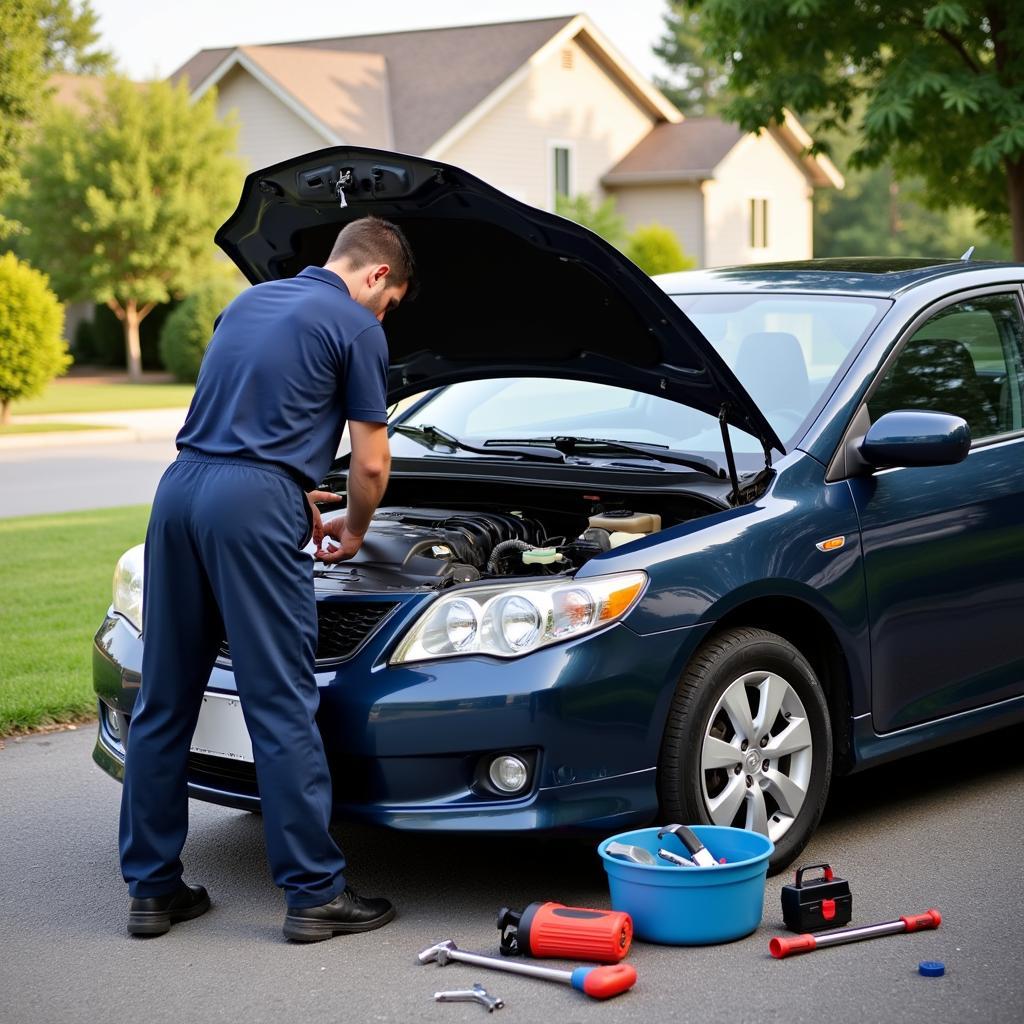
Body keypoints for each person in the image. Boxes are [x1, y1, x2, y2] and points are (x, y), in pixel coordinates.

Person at [119, 216, 415, 943]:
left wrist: (289, 488)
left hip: (181, 491)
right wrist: (352, 525)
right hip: (252, 502)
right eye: (393, 302)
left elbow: (246, 420)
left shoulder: (248, 302)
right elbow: (372, 467)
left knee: (163, 700)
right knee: (280, 702)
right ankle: (314, 894)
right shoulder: (356, 326)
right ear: (377, 276)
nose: (386, 316)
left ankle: (153, 892)